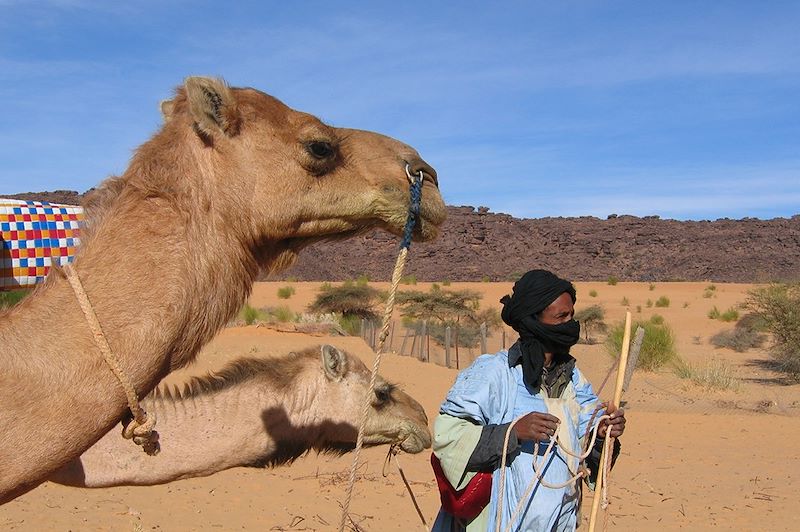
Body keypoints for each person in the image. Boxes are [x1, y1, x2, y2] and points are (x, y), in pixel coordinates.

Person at [431, 269, 626, 531]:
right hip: (498, 522)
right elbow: (448, 439)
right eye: (561, 317)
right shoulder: (494, 373)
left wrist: (602, 433)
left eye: (572, 316)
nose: (571, 324)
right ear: (534, 319)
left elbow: (588, 455)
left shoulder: (573, 381)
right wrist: (513, 432)